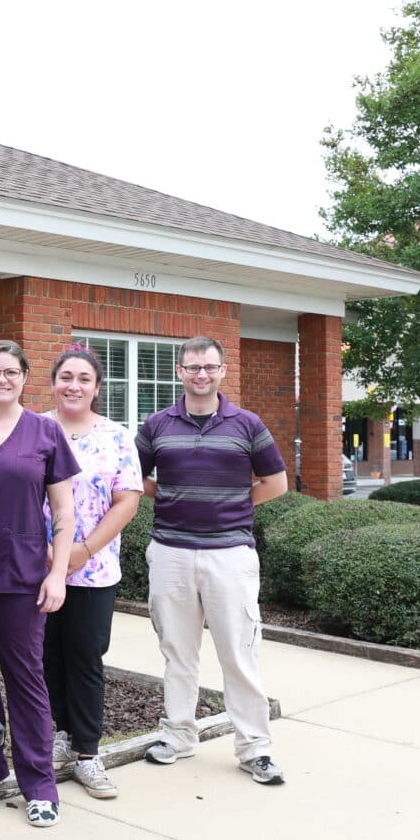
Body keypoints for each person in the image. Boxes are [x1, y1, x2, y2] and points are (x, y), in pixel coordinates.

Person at [135, 335, 290, 786]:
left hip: (230, 555)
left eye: (209, 367)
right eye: (192, 367)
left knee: (239, 654)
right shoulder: (157, 425)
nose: (200, 375)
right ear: (179, 372)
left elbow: (276, 482)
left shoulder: (246, 424)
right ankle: (178, 737)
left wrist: (233, 506)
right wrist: (168, 495)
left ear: (223, 371)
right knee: (177, 652)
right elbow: (134, 477)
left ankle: (255, 748)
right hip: (171, 552)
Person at [0, 339, 79, 827]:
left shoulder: (46, 432)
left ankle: (38, 782)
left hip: (23, 577)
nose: (1, 379)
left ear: (26, 378)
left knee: (27, 680)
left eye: (11, 371)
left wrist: (57, 573)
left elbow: (64, 512)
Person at [40, 344, 143, 798]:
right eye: (66, 377)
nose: (73, 385)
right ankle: (59, 737)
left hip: (93, 569)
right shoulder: (36, 429)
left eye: (83, 378)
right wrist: (46, 551)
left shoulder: (117, 437)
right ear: (54, 382)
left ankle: (87, 752)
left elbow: (128, 500)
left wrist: (83, 549)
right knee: (44, 659)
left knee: (84, 658)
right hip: (37, 567)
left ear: (97, 387)